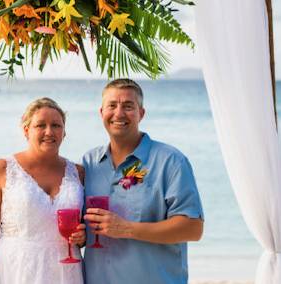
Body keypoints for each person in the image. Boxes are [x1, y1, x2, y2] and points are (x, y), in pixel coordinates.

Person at [83, 79, 204, 284]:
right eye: (112, 105)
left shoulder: (171, 161)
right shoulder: (89, 162)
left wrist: (127, 229)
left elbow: (193, 228)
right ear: (101, 112)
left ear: (141, 113)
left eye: (128, 106)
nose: (119, 113)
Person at [0, 97, 86, 284]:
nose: (49, 132)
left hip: (66, 272)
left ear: (64, 133)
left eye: (56, 126)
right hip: (16, 270)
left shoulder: (79, 173)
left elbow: (84, 230)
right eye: (40, 125)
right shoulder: (3, 169)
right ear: (26, 131)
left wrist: (83, 237)